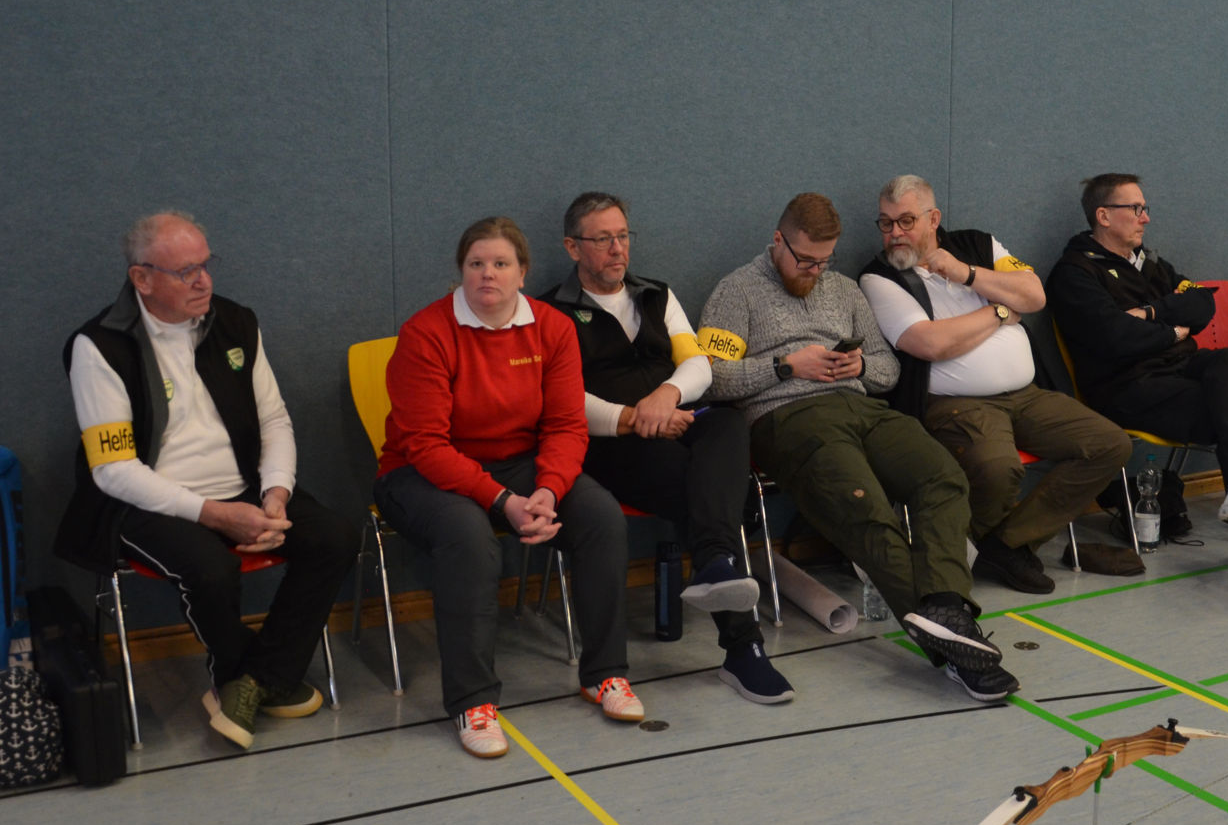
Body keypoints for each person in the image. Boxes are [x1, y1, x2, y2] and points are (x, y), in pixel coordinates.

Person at [697, 192, 1018, 702]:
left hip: (861, 408)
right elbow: (712, 379)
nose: (814, 272)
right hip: (788, 417)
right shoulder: (736, 292)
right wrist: (786, 366)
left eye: (824, 261)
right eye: (805, 261)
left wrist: (861, 365)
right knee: (867, 511)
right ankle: (959, 651)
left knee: (942, 476)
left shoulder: (844, 289)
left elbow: (888, 370)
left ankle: (946, 608)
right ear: (778, 241)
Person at [56, 211, 354, 750]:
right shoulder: (99, 346)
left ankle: (253, 682)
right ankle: (247, 676)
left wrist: (276, 493)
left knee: (334, 537)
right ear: (142, 279)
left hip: (243, 485)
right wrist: (214, 515)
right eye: (185, 271)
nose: (203, 281)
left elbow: (273, 420)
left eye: (206, 264)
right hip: (147, 502)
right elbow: (114, 470)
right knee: (212, 568)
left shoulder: (234, 322)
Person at [374, 216, 642, 760]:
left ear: (523, 272)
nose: (487, 274)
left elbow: (565, 426)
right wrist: (502, 501)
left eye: (500, 264)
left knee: (600, 517)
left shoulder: (552, 328)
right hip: (420, 473)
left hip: (520, 464)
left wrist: (549, 490)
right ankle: (473, 702)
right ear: (461, 271)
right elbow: (426, 445)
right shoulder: (425, 333)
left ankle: (605, 675)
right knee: (469, 538)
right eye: (476, 263)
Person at [540, 191, 792, 704]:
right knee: (710, 492)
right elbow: (559, 399)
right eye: (603, 239)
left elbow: (698, 364)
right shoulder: (549, 312)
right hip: (610, 443)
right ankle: (743, 646)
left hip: (676, 417)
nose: (618, 249)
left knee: (727, 423)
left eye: (623, 236)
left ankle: (716, 565)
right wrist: (636, 419)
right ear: (572, 247)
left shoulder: (656, 294)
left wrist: (666, 397)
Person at [856, 175, 1137, 594]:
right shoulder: (878, 278)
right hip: (956, 403)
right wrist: (1001, 312)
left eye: (906, 221)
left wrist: (967, 274)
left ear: (933, 219)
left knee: (1110, 444)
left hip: (1027, 395)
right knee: (998, 469)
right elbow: (931, 343)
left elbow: (1034, 295)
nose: (895, 232)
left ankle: (1004, 545)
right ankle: (1002, 550)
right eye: (886, 223)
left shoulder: (979, 245)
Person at [1046, 174, 1228, 591]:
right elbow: (1115, 338)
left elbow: (1202, 302)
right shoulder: (1075, 274)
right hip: (1127, 387)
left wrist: (1151, 315)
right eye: (1135, 209)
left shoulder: (1151, 264)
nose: (1145, 218)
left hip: (1181, 370)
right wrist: (1173, 330)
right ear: (1104, 216)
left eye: (1144, 208)